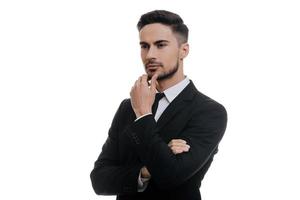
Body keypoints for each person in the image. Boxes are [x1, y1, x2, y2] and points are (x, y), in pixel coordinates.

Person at [90, 10, 227, 200]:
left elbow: (171, 176)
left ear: (183, 50)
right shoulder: (127, 107)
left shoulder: (209, 111)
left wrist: (144, 115)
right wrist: (146, 171)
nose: (150, 55)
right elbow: (99, 180)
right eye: (144, 46)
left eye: (160, 45)